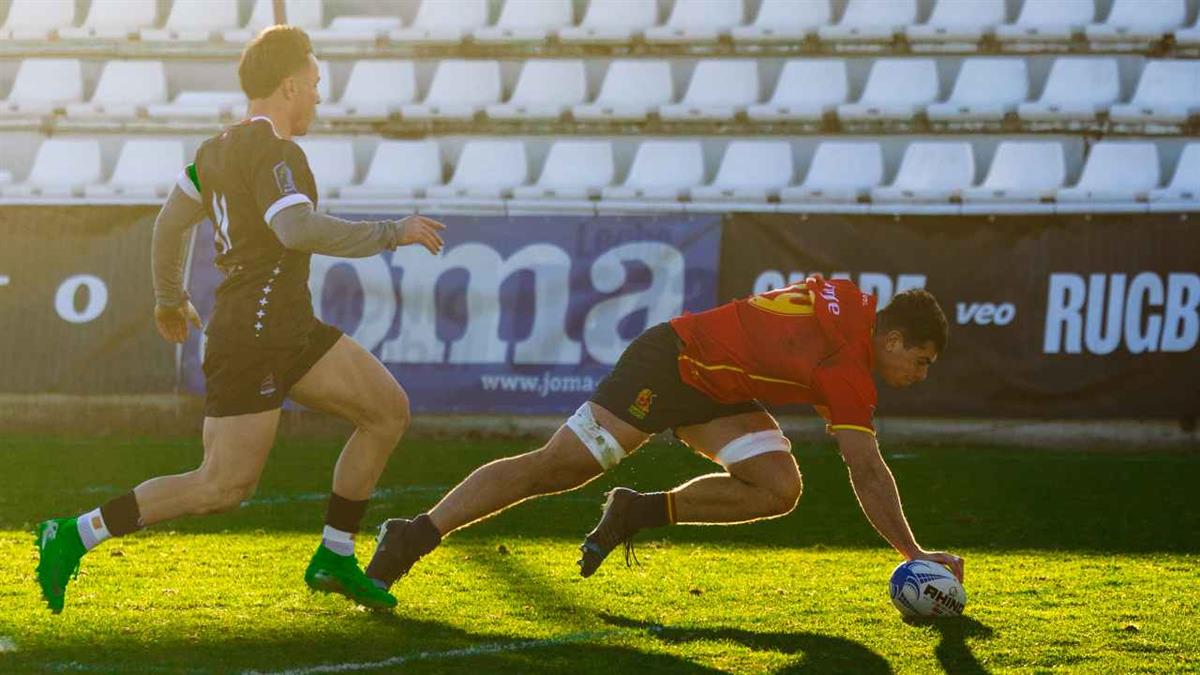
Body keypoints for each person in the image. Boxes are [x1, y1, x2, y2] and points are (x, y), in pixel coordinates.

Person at [34, 26, 446, 614]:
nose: (318, 98)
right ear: (287, 86)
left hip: (288, 326)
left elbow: (170, 223)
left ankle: (334, 555)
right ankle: (74, 534)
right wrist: (390, 232)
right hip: (253, 337)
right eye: (314, 85)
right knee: (220, 486)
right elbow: (296, 229)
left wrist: (169, 297)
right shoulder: (275, 152)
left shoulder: (214, 151)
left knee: (385, 411)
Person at [365, 275, 965, 591]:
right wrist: (913, 555)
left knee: (778, 486)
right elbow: (866, 469)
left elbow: (799, 310)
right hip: (669, 363)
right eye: (922, 360)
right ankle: (413, 533)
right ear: (891, 340)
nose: (921, 373)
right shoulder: (849, 369)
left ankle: (636, 511)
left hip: (715, 389)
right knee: (559, 468)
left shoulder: (854, 307)